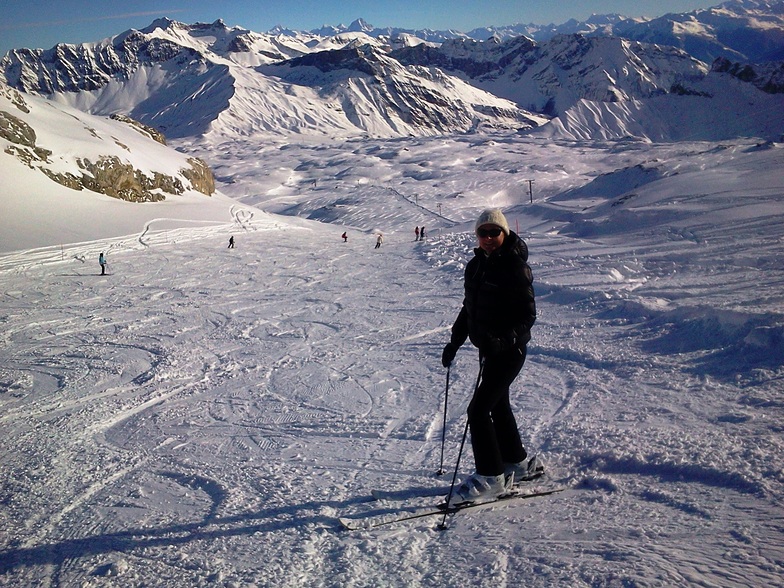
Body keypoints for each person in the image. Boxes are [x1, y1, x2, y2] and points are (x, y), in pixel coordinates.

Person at [441, 208, 539, 506]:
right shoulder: (475, 266)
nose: (487, 238)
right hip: (488, 348)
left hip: (510, 351)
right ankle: (517, 464)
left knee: (478, 410)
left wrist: (503, 340)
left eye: (493, 232)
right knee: (497, 405)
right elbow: (469, 307)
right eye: (482, 233)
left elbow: (528, 315)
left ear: (504, 233)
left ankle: (491, 477)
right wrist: (454, 342)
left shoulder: (514, 267)